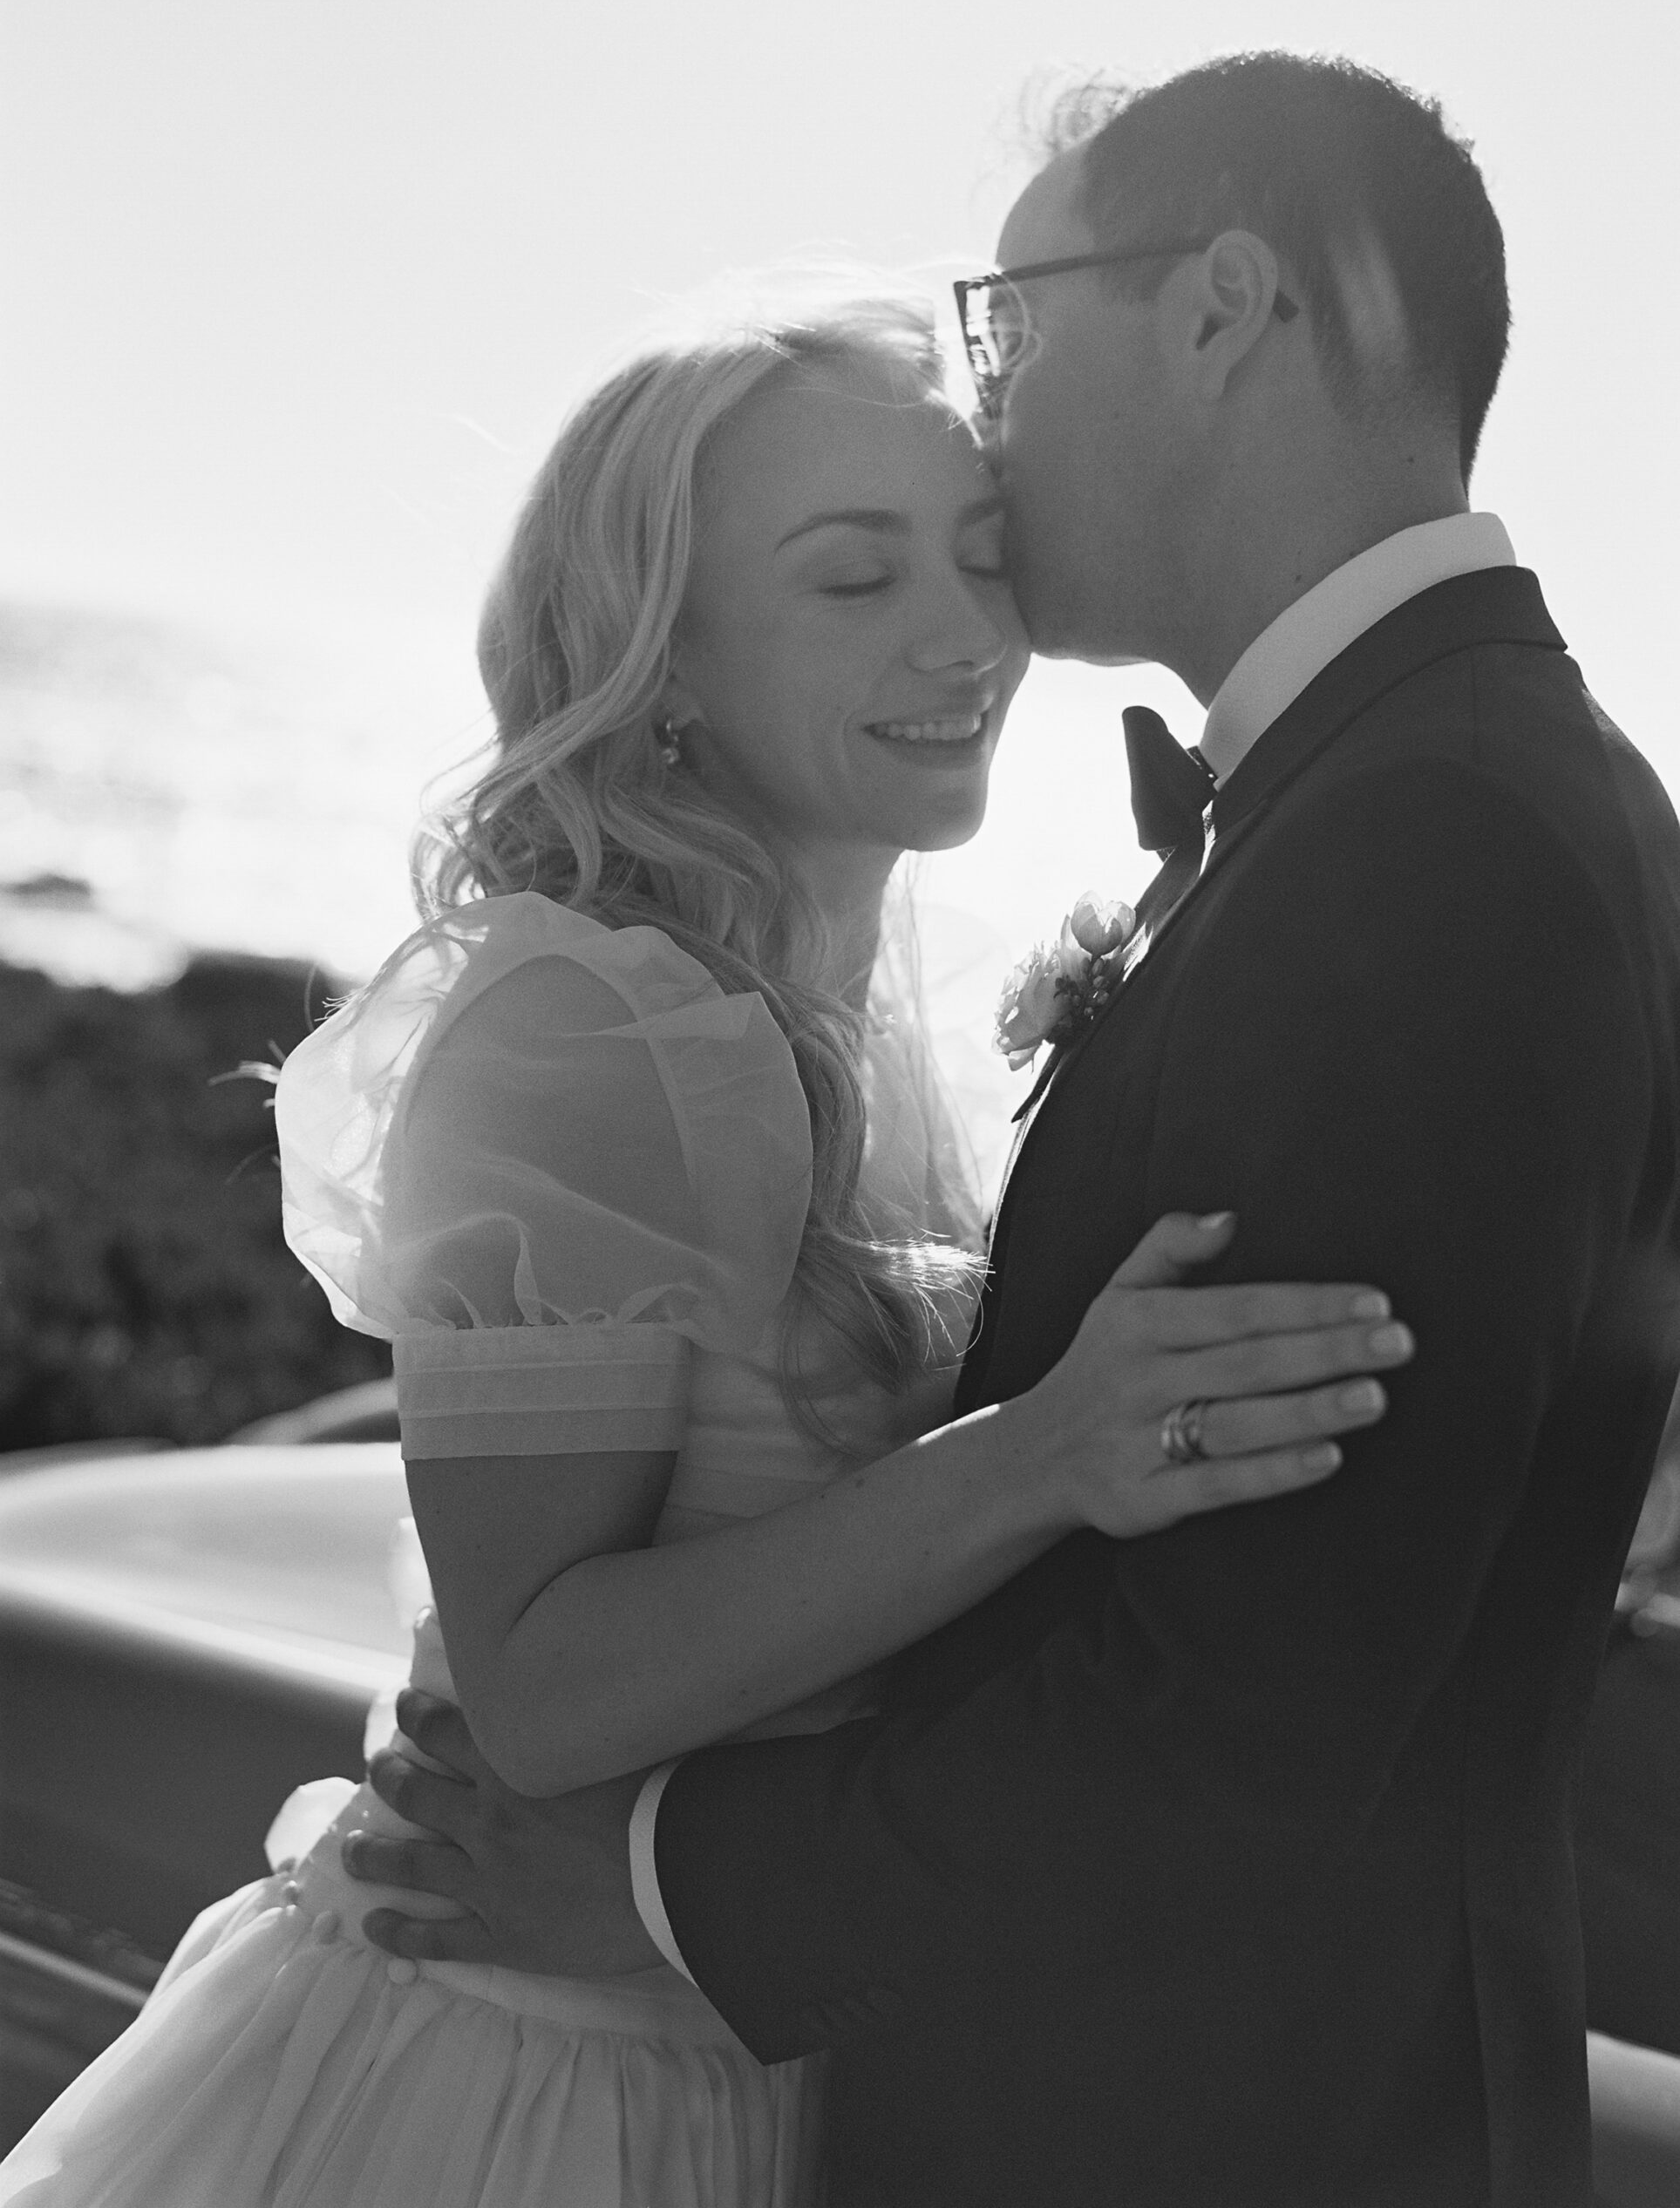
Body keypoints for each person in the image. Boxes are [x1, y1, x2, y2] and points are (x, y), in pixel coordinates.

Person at [342, 54, 1680, 2208]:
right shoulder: (1440, 793)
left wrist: (673, 1893)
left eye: (1013, 321)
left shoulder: (1429, 840)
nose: (996, 403)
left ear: (1224, 304)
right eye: (851, 572)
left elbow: (1251, 1694)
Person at [0, 300, 1406, 2208]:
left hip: (745, 2043)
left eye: (981, 555)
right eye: (852, 578)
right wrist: (1044, 1450)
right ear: (664, 661)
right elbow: (539, 1691)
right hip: (511, 2089)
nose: (961, 633)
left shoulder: (867, 1024)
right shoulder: (593, 1025)